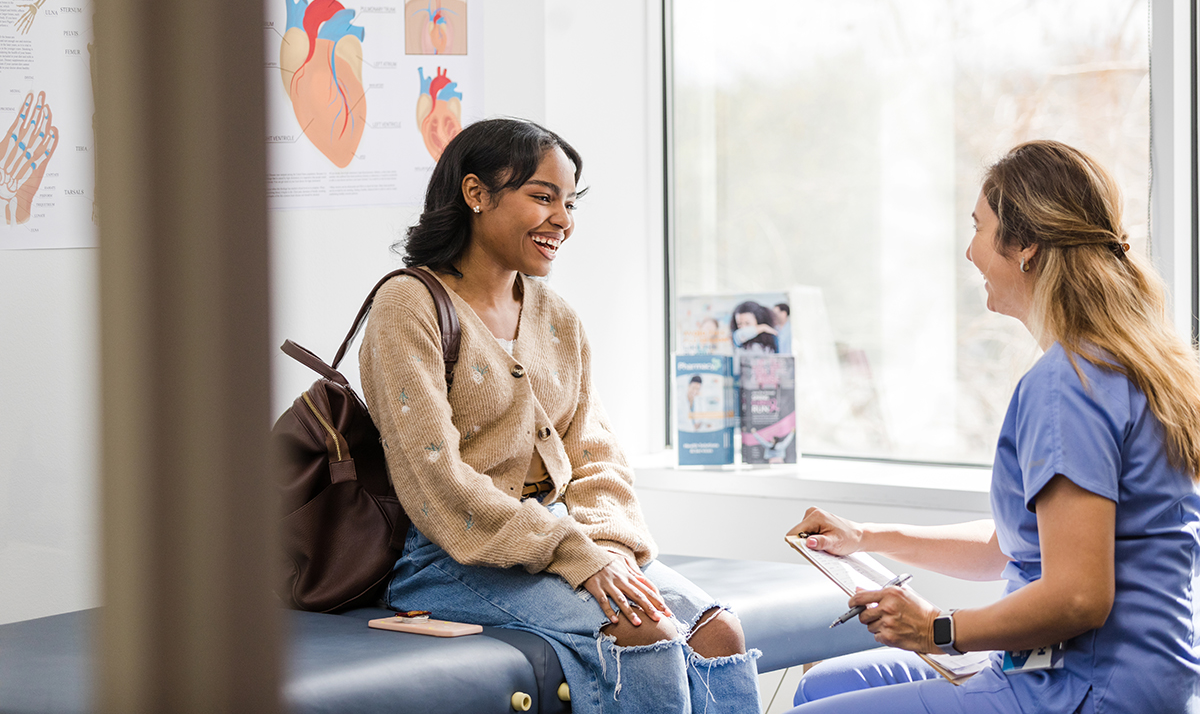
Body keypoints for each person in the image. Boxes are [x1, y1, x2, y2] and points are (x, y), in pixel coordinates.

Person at [359, 118, 762, 713]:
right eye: (542, 197)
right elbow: (436, 484)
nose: (562, 221)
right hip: (449, 558)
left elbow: (596, 456)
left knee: (718, 634)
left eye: (569, 204)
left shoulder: (555, 317)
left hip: (564, 535)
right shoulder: (408, 305)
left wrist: (611, 548)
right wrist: (574, 553)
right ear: (476, 194)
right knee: (645, 633)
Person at [785, 140, 1200, 714]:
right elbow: (1017, 544)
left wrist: (938, 628)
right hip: (1124, 671)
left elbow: (1078, 596)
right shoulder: (1119, 363)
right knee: (821, 686)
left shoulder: (1067, 384)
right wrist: (867, 538)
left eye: (979, 228)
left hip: (1084, 685)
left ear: (1025, 246)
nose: (968, 250)